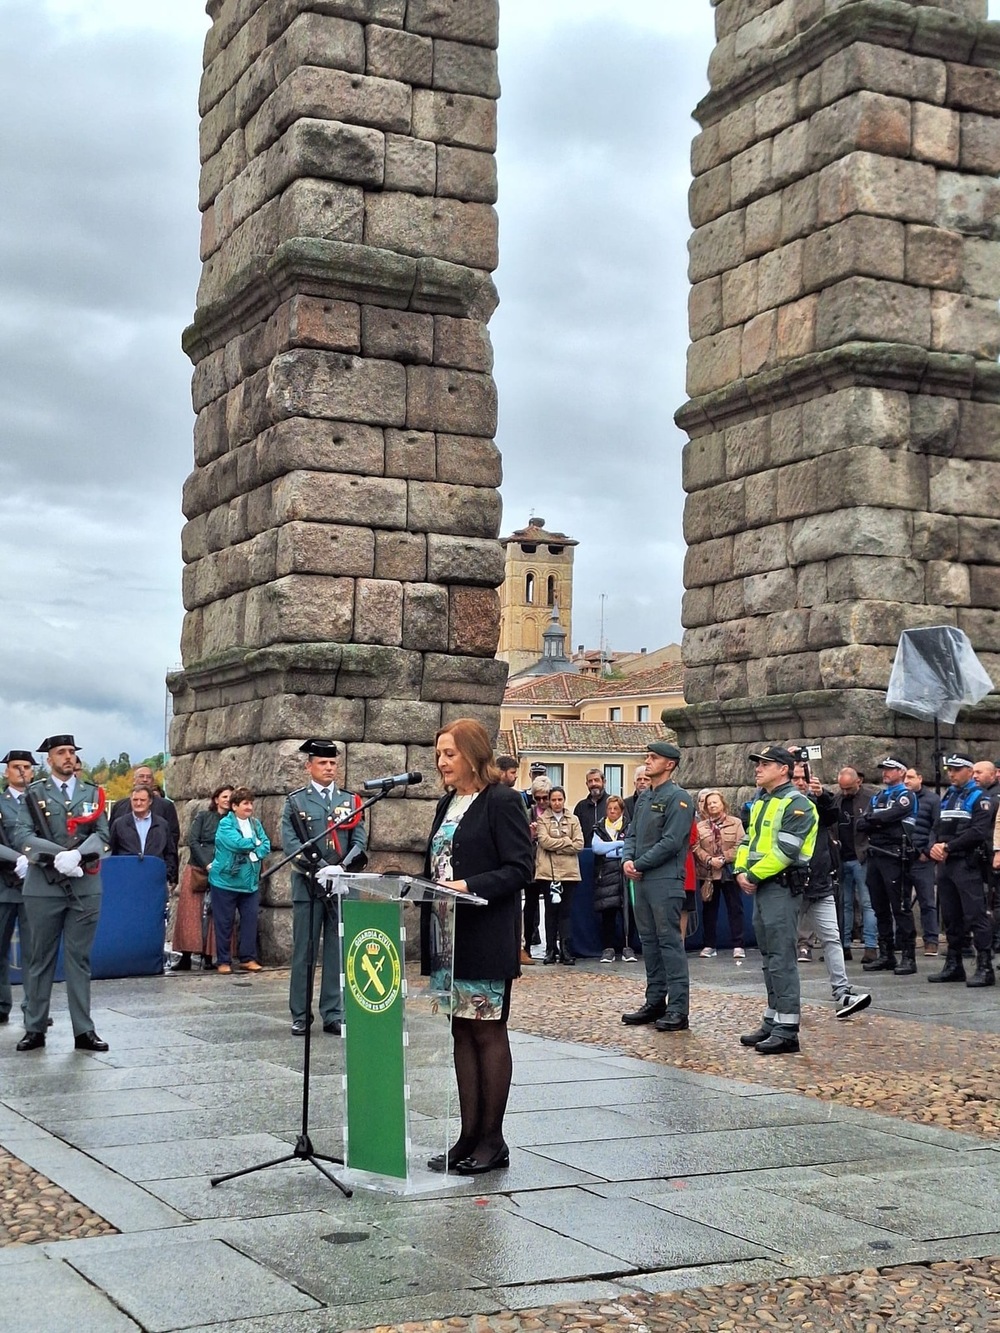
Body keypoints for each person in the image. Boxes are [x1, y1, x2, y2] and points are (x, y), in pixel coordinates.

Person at [422, 718, 534, 1176]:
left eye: (449, 753)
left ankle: (493, 1139)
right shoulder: (446, 804)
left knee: (486, 1032)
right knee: (460, 1032)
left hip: (485, 932)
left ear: (472, 754)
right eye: (439, 754)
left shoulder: (502, 802)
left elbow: (520, 867)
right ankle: (467, 1135)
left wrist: (468, 885)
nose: (441, 761)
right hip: (448, 936)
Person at [13, 734, 111, 1052]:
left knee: (79, 959)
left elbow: (103, 836)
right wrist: (59, 856)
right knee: (40, 958)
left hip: (84, 885)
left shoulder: (93, 793)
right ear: (49, 759)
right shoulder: (33, 794)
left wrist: (80, 856)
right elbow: (23, 837)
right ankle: (35, 1027)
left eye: (71, 752)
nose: (68, 757)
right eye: (61, 752)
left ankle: (83, 1030)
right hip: (44, 887)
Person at [735, 744, 818, 1055]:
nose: (757, 769)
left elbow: (786, 851)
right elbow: (748, 840)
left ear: (784, 768)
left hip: (780, 886)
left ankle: (787, 1030)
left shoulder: (798, 804)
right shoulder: (762, 801)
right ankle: (772, 1020)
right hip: (762, 885)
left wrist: (751, 875)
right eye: (757, 763)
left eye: (765, 764)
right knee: (769, 956)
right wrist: (740, 869)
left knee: (782, 957)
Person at [281, 739, 367, 1035]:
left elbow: (359, 841)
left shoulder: (351, 800)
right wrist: (319, 870)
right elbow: (291, 843)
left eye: (332, 763)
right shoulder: (296, 801)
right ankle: (301, 1014)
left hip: (342, 886)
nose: (329, 768)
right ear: (309, 766)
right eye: (322, 763)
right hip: (309, 884)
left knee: (338, 950)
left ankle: (334, 1011)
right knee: (304, 950)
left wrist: (341, 870)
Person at [621, 741, 694, 1033]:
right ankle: (655, 1000)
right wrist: (628, 859)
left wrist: (639, 863)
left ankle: (678, 1007)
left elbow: (672, 842)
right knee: (649, 942)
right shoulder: (643, 798)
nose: (648, 761)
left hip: (664, 880)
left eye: (654, 758)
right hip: (642, 879)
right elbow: (632, 833)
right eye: (648, 756)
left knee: (669, 943)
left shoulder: (679, 799)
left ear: (670, 764)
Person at [790, 763, 871, 1019]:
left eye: (803, 778)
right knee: (781, 944)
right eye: (795, 778)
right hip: (788, 884)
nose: (800, 782)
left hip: (820, 881)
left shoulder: (815, 802)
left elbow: (830, 814)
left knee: (832, 938)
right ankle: (781, 999)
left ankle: (843, 992)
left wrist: (822, 794)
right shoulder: (777, 803)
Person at [929, 753, 994, 987]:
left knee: (975, 915)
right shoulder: (949, 796)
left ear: (969, 771)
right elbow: (937, 826)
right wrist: (933, 847)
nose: (951, 774)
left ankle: (985, 966)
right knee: (951, 916)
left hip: (968, 863)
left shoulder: (980, 797)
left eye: (956, 770)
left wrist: (948, 846)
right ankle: (954, 964)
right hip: (946, 863)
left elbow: (978, 831)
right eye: (950, 770)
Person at [857, 757, 917, 974]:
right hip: (876, 855)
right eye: (884, 769)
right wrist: (879, 821)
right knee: (878, 906)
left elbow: (895, 815)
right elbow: (861, 822)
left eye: (890, 769)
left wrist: (876, 820)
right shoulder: (878, 796)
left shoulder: (905, 795)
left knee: (900, 907)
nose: (885, 773)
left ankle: (909, 956)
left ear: (901, 772)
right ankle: (886, 954)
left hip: (895, 855)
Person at [208, 786, 270, 975]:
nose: (249, 807)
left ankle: (247, 958)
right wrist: (255, 844)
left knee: (250, 920)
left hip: (249, 882)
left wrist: (255, 853)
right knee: (224, 922)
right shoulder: (226, 824)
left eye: (251, 803)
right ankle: (224, 960)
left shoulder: (255, 824)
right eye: (245, 803)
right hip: (225, 881)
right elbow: (237, 844)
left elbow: (266, 844)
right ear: (234, 806)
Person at [172, 783, 232, 971]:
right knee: (190, 913)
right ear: (216, 799)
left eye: (231, 797)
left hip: (221, 871)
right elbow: (193, 840)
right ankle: (186, 956)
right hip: (198, 867)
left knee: (216, 914)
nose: (228, 800)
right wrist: (206, 863)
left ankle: (209, 956)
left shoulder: (233, 821)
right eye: (224, 796)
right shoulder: (203, 817)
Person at [0, 750, 34, 1026]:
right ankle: (1, 1005)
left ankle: (34, 1007)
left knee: (35, 951)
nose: (22, 771)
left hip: (35, 885)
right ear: (6, 772)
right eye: (16, 767)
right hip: (3, 884)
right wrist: (17, 858)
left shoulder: (39, 803)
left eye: (26, 767)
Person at [693, 790, 745, 960]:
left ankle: (738, 944)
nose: (712, 805)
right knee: (709, 910)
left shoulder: (736, 823)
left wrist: (724, 858)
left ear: (723, 804)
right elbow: (695, 847)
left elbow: (742, 845)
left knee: (735, 908)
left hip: (729, 871)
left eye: (715, 802)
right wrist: (709, 860)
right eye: (709, 803)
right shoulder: (700, 826)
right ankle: (709, 944)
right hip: (708, 874)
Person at [535, 786, 584, 965]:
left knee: (565, 912)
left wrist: (558, 844)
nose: (556, 803)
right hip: (549, 872)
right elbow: (544, 841)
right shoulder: (543, 819)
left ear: (564, 800)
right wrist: (565, 841)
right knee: (550, 912)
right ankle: (550, 949)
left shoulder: (574, 819)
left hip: (569, 872)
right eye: (553, 800)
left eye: (559, 800)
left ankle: (565, 949)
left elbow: (578, 844)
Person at [110, 765, 180, 887]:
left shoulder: (163, 818)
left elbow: (171, 847)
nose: (145, 780)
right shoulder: (119, 817)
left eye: (148, 777)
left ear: (150, 801)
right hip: (126, 873)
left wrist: (170, 874)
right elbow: (112, 847)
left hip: (155, 871)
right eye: (141, 776)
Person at [836, 766, 878, 962]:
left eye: (848, 788)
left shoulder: (870, 798)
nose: (845, 793)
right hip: (841, 857)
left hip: (862, 856)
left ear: (858, 782)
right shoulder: (837, 800)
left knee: (867, 903)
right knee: (844, 904)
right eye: (842, 788)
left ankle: (871, 946)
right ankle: (843, 945)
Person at [903, 767, 940, 958]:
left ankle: (931, 940)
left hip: (922, 858)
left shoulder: (932, 800)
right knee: (902, 902)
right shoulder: (901, 798)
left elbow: (937, 826)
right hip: (902, 857)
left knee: (927, 901)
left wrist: (928, 851)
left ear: (920, 778)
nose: (906, 781)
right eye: (904, 778)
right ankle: (902, 939)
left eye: (910, 777)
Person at [592, 794, 631, 962]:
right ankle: (608, 949)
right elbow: (597, 848)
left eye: (616, 808)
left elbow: (630, 847)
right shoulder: (599, 827)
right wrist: (619, 845)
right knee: (608, 914)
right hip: (605, 876)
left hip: (625, 875)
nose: (612, 811)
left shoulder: (629, 826)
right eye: (609, 808)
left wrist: (612, 849)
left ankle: (627, 947)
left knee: (627, 914)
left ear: (622, 810)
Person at [522, 776, 551, 962]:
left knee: (551, 906)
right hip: (532, 865)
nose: (541, 801)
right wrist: (530, 835)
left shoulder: (555, 811)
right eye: (538, 798)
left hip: (550, 865)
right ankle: (527, 945)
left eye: (544, 797)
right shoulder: (528, 813)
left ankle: (551, 946)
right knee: (530, 906)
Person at [574, 768, 608, 845]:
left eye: (596, 780)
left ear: (604, 782)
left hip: (608, 853)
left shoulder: (613, 803)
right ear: (587, 784)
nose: (593, 784)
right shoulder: (580, 807)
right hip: (585, 852)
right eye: (590, 781)